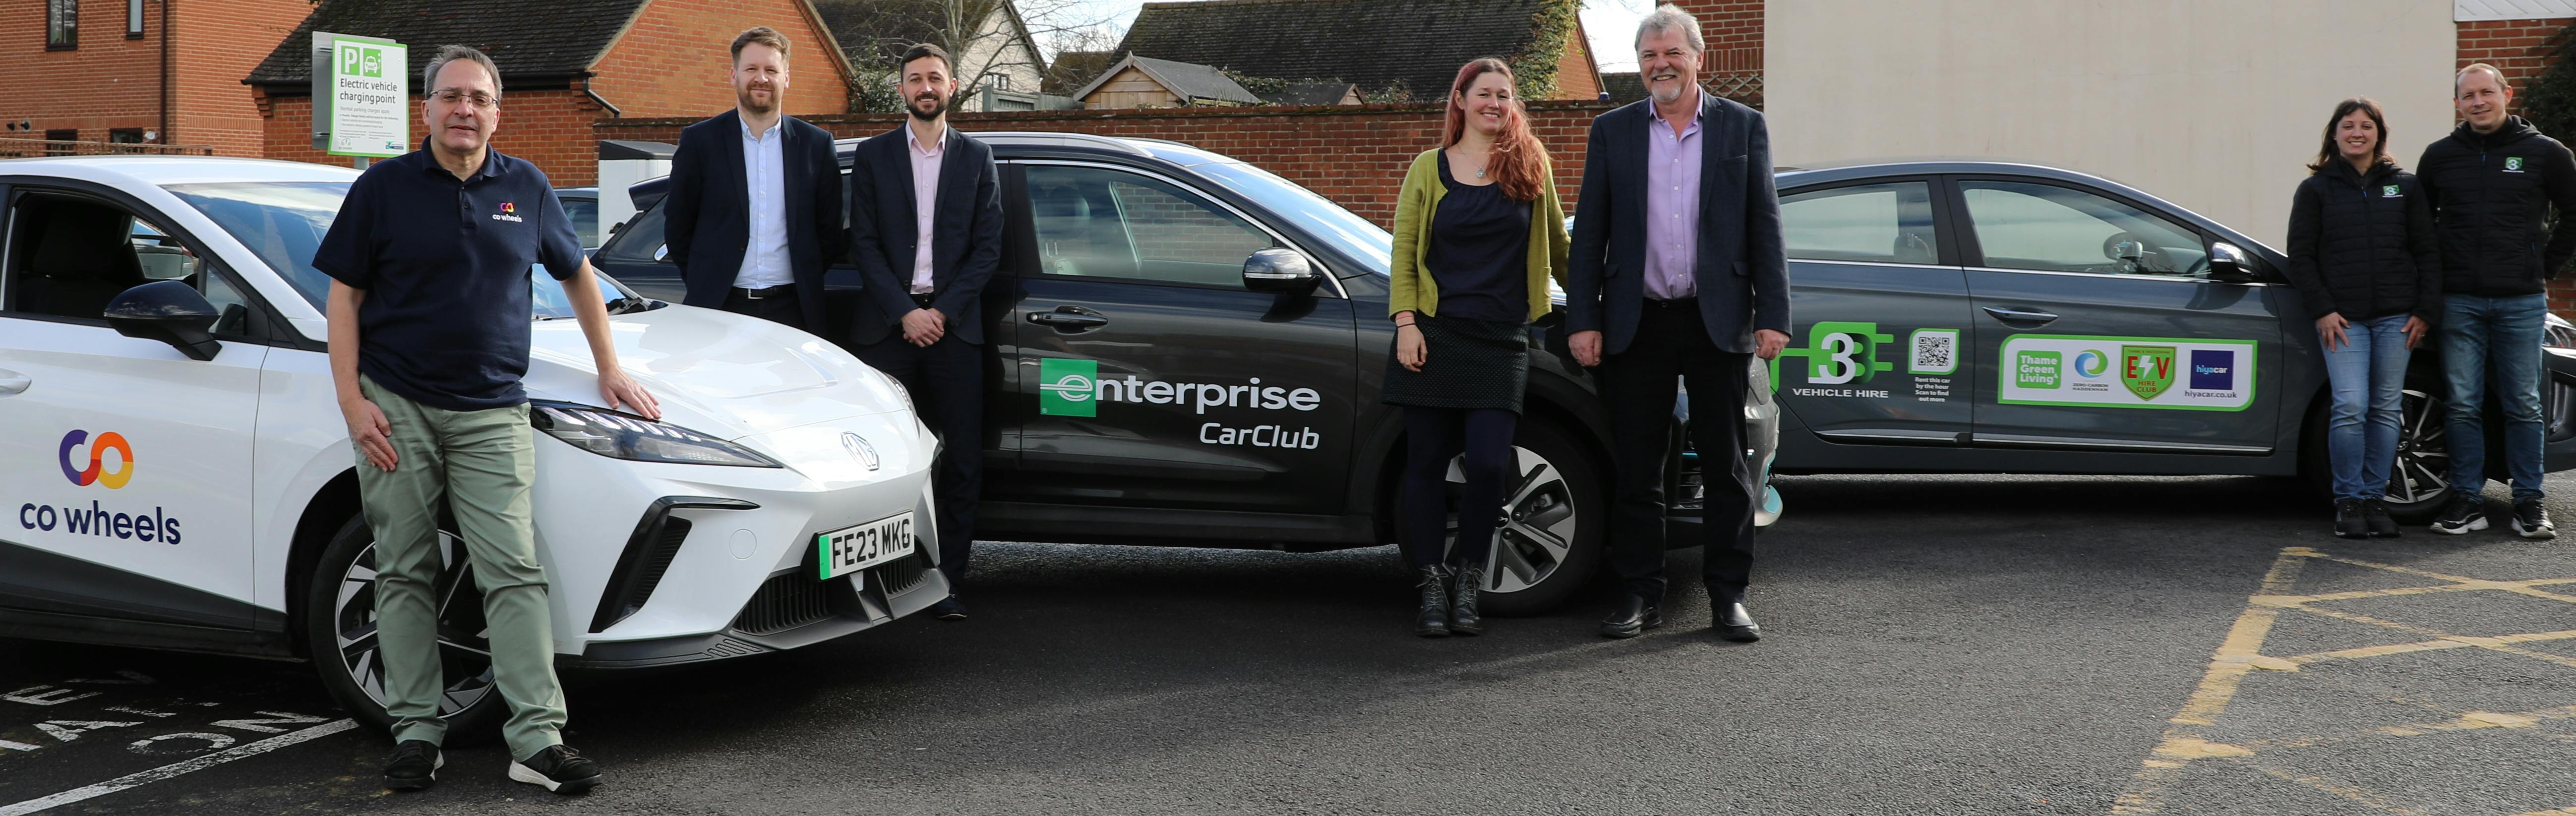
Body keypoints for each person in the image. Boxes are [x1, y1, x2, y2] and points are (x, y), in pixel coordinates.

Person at [316, 45, 658, 794]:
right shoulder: (383, 189)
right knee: (405, 567)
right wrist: (351, 398)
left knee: (514, 571)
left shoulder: (527, 187)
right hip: (396, 405)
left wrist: (609, 367)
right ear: (427, 108)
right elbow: (344, 299)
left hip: (493, 410)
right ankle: (414, 732)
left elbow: (579, 277)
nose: (464, 109)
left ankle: (535, 739)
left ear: (497, 112)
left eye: (478, 98)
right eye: (450, 96)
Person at [1563, 4, 1789, 642]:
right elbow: (1591, 236)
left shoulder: (1743, 127)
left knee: (1725, 466)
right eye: (1648, 57)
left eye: (1671, 54)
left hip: (1717, 322)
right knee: (1639, 468)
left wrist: (1772, 314)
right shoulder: (1613, 131)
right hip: (1637, 323)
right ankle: (1639, 592)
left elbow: (1764, 224)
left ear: (1698, 58)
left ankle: (1728, 593)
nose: (1659, 65)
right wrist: (1584, 318)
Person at [1383, 58, 1569, 638]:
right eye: (1484, 93)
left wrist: (1598, 304)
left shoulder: (1529, 164)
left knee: (1489, 465)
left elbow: (1560, 246)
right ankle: (1431, 584)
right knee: (1424, 466)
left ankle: (1468, 575)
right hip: (1434, 335)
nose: (1495, 103)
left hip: (1501, 338)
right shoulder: (1427, 168)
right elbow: (1404, 250)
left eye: (1504, 95)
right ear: (1459, 100)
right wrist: (1406, 322)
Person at [847, 43, 1004, 618]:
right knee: (879, 463)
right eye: (915, 79)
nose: (925, 87)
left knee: (961, 458)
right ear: (902, 90)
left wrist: (940, 311)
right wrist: (904, 312)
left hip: (954, 329)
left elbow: (988, 248)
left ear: (952, 86)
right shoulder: (873, 156)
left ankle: (945, 583)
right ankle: (877, 582)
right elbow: (861, 243)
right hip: (888, 329)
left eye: (934, 78)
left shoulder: (976, 157)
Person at [2419, 62, 2576, 539]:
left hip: (2520, 301)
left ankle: (2529, 503)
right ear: (2457, 104)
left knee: (2523, 405)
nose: (2478, 102)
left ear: (2506, 94)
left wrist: (2543, 267)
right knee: (2463, 404)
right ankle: (2468, 501)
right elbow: (2421, 229)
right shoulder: (2439, 157)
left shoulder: (2545, 153)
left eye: (2486, 92)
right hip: (2459, 301)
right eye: (2468, 96)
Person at [2283, 98, 2441, 539]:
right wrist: (2322, 310)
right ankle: (2348, 500)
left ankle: (2375, 499)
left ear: (2379, 134)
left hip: (2397, 319)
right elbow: (2302, 256)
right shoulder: (2314, 190)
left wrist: (2425, 309)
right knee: (2350, 406)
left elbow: (2427, 251)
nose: (2357, 133)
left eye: (2365, 126)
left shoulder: (2404, 187)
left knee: (2386, 409)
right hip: (2343, 321)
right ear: (2333, 135)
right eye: (2348, 126)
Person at [661, 27, 845, 332]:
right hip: (719, 308)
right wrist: (706, 280)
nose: (762, 78)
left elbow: (830, 232)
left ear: (786, 78)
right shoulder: (700, 141)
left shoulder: (816, 145)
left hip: (795, 310)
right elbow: (678, 225)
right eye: (751, 69)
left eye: (771, 70)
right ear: (734, 76)